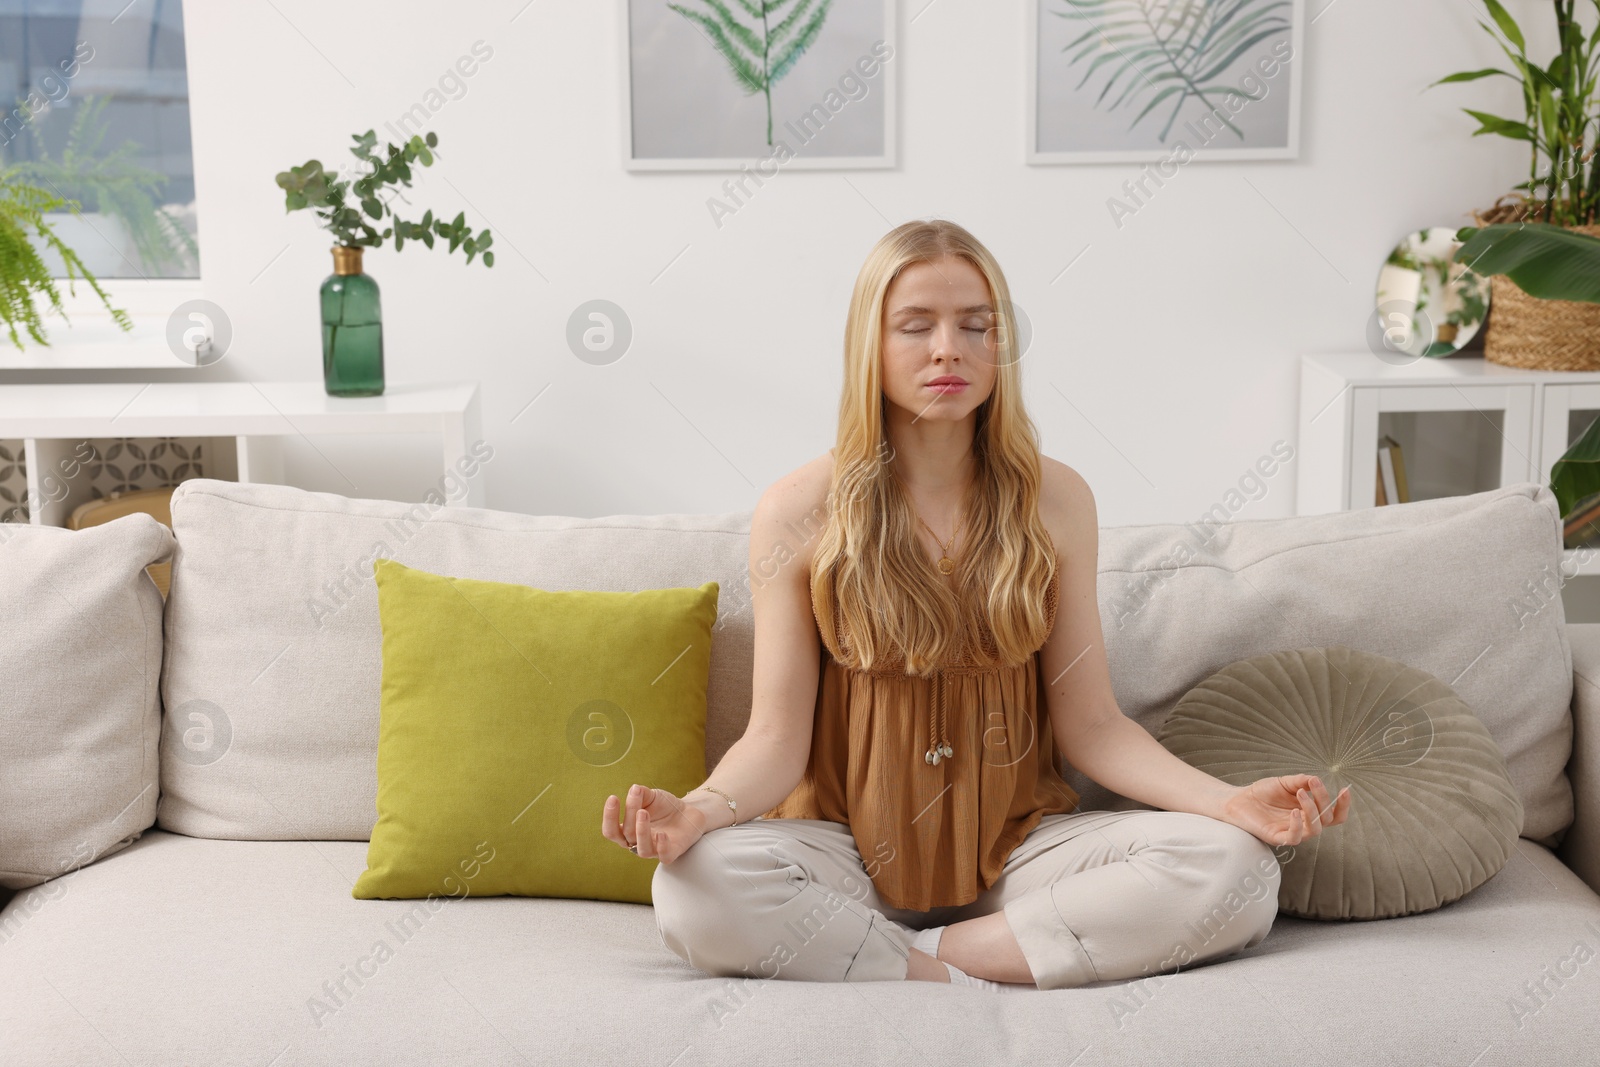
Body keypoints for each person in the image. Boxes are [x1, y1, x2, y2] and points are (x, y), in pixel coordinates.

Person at [599, 217, 1352, 991]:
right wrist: (697, 812)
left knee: (1239, 872)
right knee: (692, 888)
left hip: (1018, 854)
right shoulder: (797, 510)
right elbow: (775, 739)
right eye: (915, 325)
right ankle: (982, 963)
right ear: (870, 343)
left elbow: (1093, 726)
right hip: (841, 855)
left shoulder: (1058, 499)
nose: (947, 349)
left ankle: (929, 963)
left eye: (976, 325)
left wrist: (1231, 805)